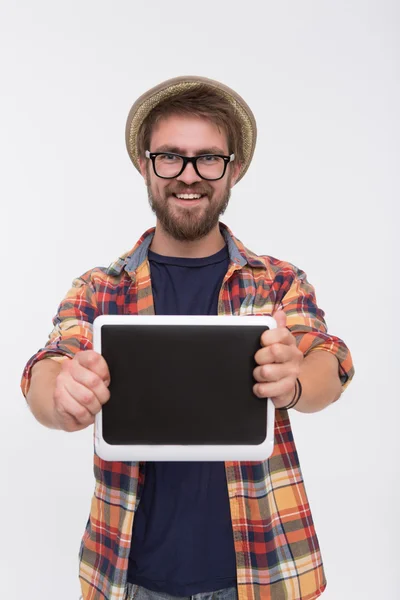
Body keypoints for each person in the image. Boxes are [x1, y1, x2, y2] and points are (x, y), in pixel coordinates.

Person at [21, 76, 354, 600]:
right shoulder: (99, 289)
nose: (189, 175)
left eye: (209, 158)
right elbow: (48, 365)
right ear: (145, 164)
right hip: (128, 578)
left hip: (263, 574)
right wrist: (60, 393)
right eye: (171, 157)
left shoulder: (277, 282)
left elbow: (330, 364)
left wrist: (294, 382)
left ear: (233, 169)